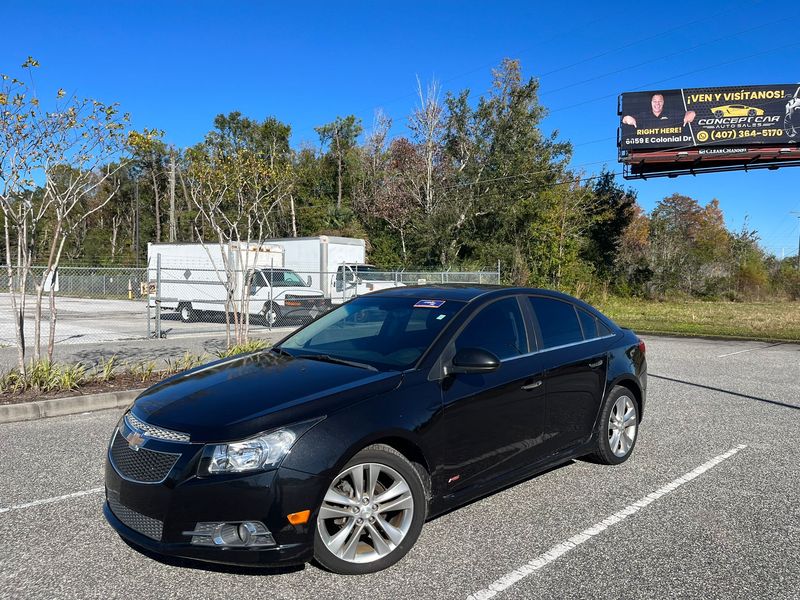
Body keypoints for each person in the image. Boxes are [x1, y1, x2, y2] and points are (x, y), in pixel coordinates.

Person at [622, 93, 696, 129]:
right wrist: (627, 118)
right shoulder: (644, 115)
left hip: (673, 144)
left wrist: (690, 114)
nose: (657, 104)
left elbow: (690, 113)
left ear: (663, 102)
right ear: (651, 102)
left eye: (659, 101)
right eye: (655, 101)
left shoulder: (671, 113)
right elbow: (625, 119)